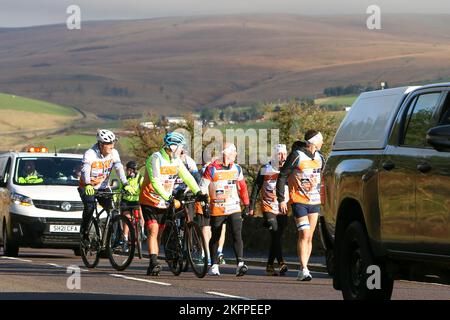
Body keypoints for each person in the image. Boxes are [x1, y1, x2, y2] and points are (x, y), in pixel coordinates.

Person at [139, 131, 208, 276]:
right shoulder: (155, 158)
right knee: (153, 229)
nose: (182, 150)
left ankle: (154, 260)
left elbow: (187, 176)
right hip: (150, 199)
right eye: (180, 146)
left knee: (160, 233)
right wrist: (167, 196)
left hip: (165, 202)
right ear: (172, 146)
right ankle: (154, 263)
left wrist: (198, 192)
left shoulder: (176, 161)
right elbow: (155, 181)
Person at [276, 130, 324, 281]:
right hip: (298, 200)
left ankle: (305, 267)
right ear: (314, 141)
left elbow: (325, 176)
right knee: (304, 234)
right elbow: (282, 175)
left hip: (314, 201)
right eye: (321, 140)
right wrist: (281, 198)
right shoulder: (297, 155)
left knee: (309, 236)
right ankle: (303, 268)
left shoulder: (320, 157)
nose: (323, 142)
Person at [199, 142, 250, 277]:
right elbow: (203, 189)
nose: (236, 154)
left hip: (234, 206)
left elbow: (243, 187)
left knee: (237, 233)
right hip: (217, 207)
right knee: (215, 236)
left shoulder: (237, 168)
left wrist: (247, 204)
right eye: (234, 151)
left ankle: (240, 264)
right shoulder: (211, 169)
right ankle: (214, 265)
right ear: (226, 153)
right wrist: (205, 206)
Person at [78, 129, 136, 242]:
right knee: (89, 208)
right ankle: (84, 233)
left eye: (113, 143)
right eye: (109, 143)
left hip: (103, 187)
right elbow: (85, 170)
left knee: (113, 212)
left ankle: (113, 240)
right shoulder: (90, 154)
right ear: (101, 144)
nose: (112, 145)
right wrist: (88, 184)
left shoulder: (114, 153)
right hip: (87, 186)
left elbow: (119, 168)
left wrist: (125, 184)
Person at [249, 144, 289, 276]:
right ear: (274, 155)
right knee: (275, 231)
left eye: (284, 154)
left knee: (276, 237)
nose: (282, 157)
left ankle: (269, 266)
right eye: (279, 154)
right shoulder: (266, 169)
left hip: (282, 207)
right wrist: (251, 206)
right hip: (268, 206)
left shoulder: (289, 169)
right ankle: (281, 262)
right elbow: (256, 187)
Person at [120, 161, 146, 252]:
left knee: (141, 216)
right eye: (127, 170)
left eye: (130, 170)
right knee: (127, 219)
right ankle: (125, 239)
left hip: (136, 202)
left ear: (134, 171)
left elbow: (144, 189)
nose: (128, 172)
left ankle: (142, 232)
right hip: (126, 202)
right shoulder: (125, 179)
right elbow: (120, 190)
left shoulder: (140, 179)